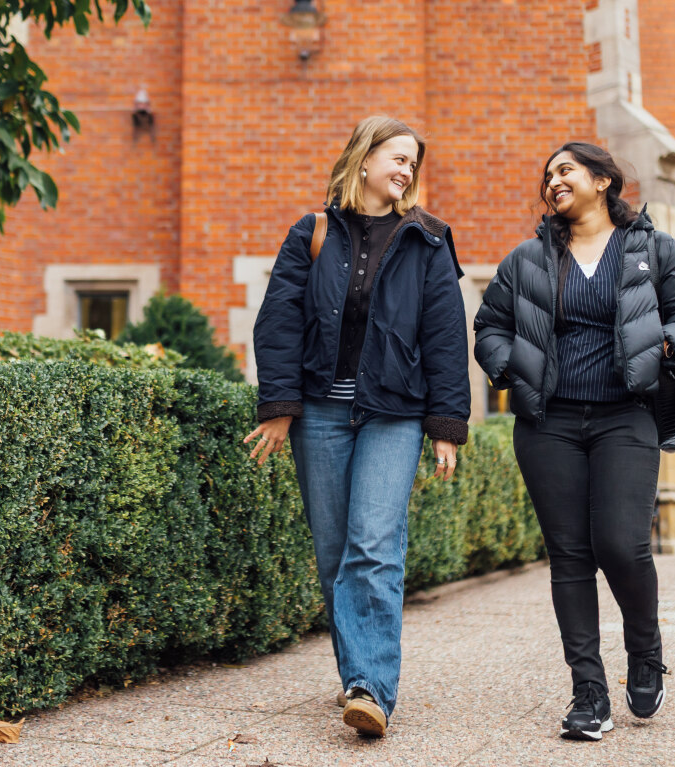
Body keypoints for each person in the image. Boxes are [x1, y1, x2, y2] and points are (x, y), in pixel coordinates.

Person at [472, 142, 675, 741]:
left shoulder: (652, 250)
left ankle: (645, 650)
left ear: (604, 180)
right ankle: (588, 692)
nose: (553, 181)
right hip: (547, 422)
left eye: (566, 171)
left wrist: (667, 345)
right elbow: (488, 327)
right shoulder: (527, 260)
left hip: (625, 417)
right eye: (548, 175)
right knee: (571, 557)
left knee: (620, 544)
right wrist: (510, 366)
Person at [244, 116, 470, 738]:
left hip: (392, 412)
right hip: (320, 409)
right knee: (333, 549)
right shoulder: (312, 231)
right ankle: (356, 678)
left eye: (412, 164)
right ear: (362, 159)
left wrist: (446, 421)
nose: (405, 171)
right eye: (396, 157)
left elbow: (447, 335)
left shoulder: (428, 238)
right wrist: (280, 405)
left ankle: (372, 684)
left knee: (373, 543)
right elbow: (279, 321)